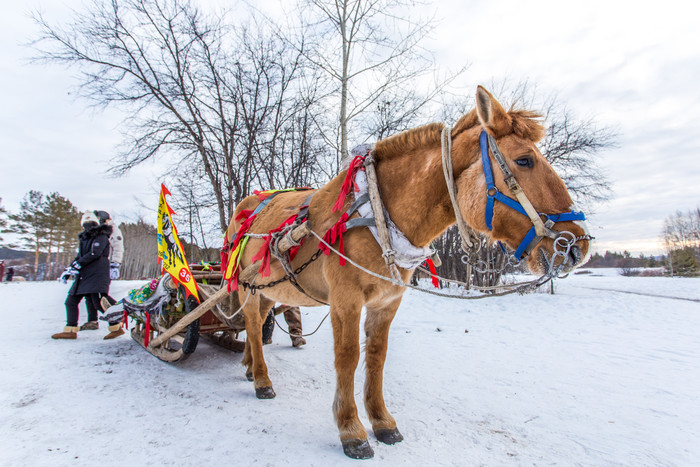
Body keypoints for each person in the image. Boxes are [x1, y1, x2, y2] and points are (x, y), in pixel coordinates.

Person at [51, 211, 124, 340]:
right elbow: (80, 256)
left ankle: (117, 325)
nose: (88, 226)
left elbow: (95, 253)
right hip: (85, 274)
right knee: (71, 301)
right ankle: (71, 329)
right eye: (85, 223)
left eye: (90, 223)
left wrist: (115, 263)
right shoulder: (85, 238)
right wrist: (70, 269)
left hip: (97, 274)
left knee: (99, 303)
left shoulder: (101, 235)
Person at [80, 210, 124, 330]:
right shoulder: (97, 231)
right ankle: (92, 320)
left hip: (103, 265)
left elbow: (118, 247)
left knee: (100, 296)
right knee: (90, 295)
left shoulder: (111, 230)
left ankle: (119, 313)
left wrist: (115, 263)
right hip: (93, 266)